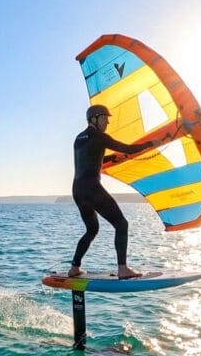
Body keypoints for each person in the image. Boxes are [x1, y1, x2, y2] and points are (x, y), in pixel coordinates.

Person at [68, 104, 159, 279]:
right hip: (92, 188)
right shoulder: (100, 137)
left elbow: (91, 157)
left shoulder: (79, 138)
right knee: (121, 224)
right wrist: (151, 143)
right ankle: (122, 269)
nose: (108, 122)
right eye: (105, 118)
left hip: (78, 189)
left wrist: (112, 158)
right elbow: (128, 148)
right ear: (94, 118)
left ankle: (74, 267)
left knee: (91, 229)